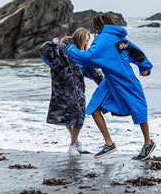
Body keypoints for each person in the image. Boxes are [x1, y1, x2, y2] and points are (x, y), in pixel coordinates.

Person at [65, 13, 156, 160]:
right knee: (98, 108)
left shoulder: (102, 39)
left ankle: (148, 143)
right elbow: (135, 53)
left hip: (125, 79)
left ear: (98, 25)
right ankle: (110, 143)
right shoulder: (119, 38)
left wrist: (70, 50)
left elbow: (89, 57)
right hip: (112, 80)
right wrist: (145, 66)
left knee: (137, 108)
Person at [40, 28, 103, 156]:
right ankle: (72, 145)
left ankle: (75, 143)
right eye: (86, 40)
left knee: (78, 116)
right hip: (63, 89)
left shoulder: (81, 52)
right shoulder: (63, 47)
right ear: (80, 38)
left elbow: (91, 69)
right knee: (73, 116)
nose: (86, 43)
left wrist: (105, 83)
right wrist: (52, 43)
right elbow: (45, 52)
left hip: (77, 89)